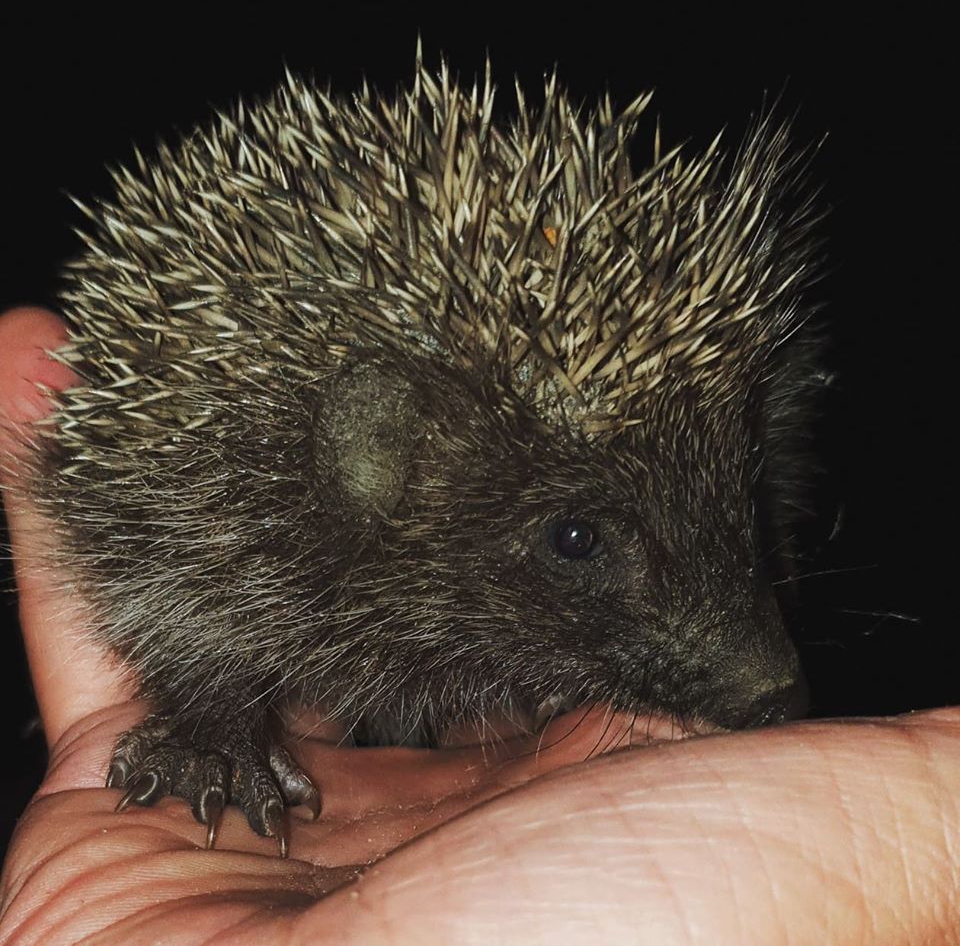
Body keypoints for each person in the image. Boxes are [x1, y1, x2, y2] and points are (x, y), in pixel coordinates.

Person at [0, 305, 955, 945]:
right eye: (578, 539)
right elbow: (176, 588)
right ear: (381, 455)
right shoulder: (244, 527)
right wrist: (211, 723)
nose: (770, 673)